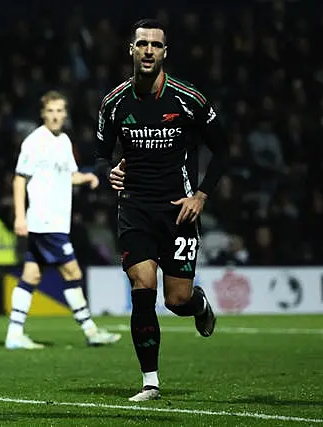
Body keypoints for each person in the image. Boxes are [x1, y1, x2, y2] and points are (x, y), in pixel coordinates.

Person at [95, 19, 228, 401]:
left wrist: (201, 195)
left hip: (179, 212)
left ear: (165, 52)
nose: (149, 50)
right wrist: (110, 171)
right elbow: (101, 155)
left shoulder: (189, 99)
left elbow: (224, 150)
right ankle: (150, 381)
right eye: (142, 44)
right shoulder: (114, 102)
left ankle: (198, 303)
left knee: (176, 300)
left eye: (156, 44)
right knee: (142, 286)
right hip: (134, 209)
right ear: (131, 50)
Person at [5, 91, 121, 350]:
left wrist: (87, 178)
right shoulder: (34, 142)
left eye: (60, 111)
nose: (55, 116)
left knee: (31, 276)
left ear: (65, 114)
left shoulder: (64, 141)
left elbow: (68, 175)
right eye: (51, 111)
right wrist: (20, 217)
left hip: (56, 221)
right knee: (73, 272)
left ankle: (14, 333)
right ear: (43, 114)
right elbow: (19, 179)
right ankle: (90, 331)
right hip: (44, 221)